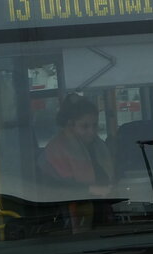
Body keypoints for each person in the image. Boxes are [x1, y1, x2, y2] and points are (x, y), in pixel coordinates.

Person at [40, 94, 114, 229]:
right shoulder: (55, 150)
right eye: (84, 126)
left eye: (94, 125)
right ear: (70, 125)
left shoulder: (99, 146)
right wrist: (91, 189)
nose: (91, 131)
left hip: (104, 213)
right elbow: (55, 188)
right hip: (68, 222)